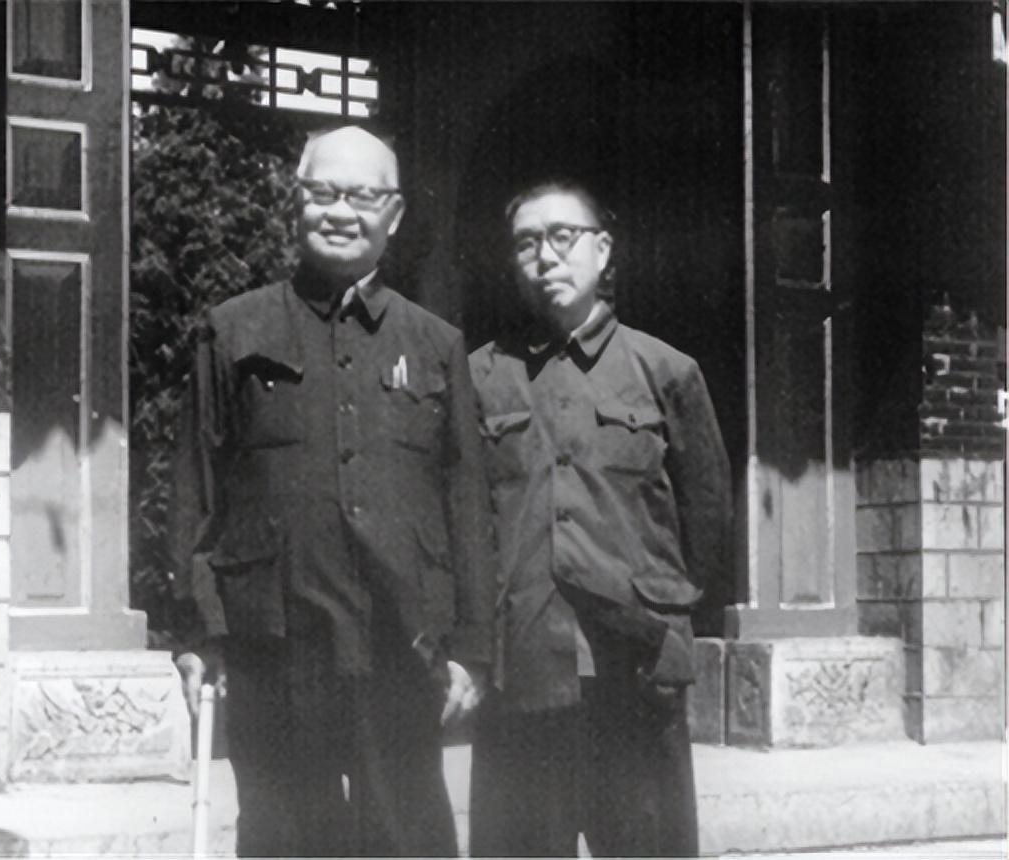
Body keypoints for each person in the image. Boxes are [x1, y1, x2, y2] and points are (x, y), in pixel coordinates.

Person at [168, 125, 494, 857]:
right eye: (323, 192)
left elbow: (466, 502)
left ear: (394, 214)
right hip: (273, 643)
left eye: (363, 196)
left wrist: (474, 647)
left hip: (400, 643)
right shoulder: (232, 330)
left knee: (407, 838)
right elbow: (197, 487)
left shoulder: (435, 344)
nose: (341, 211)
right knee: (284, 838)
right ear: (297, 201)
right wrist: (197, 633)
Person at [467, 179, 731, 858]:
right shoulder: (480, 378)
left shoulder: (666, 371)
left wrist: (667, 623)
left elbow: (707, 521)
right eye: (527, 243)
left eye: (563, 236)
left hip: (635, 673)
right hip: (522, 668)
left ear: (603, 249)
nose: (546, 255)